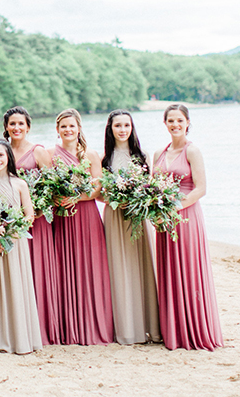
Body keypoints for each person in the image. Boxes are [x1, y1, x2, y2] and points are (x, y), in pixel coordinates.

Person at [153, 104, 223, 350]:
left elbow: (200, 189)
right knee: (169, 270)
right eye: (170, 120)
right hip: (163, 221)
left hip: (186, 217)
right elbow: (153, 189)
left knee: (189, 269)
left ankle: (193, 330)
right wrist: (154, 212)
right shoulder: (158, 154)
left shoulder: (193, 151)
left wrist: (174, 208)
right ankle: (174, 330)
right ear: (165, 123)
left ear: (187, 122)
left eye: (179, 120)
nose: (175, 125)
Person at [48, 108, 114, 346]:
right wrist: (57, 197)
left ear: (79, 128)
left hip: (86, 216)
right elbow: (47, 185)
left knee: (90, 267)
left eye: (72, 126)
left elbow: (97, 190)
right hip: (62, 217)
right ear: (57, 130)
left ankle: (92, 323)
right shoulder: (50, 154)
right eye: (63, 126)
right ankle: (68, 327)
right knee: (64, 267)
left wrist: (76, 198)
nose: (68, 130)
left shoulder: (91, 155)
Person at [0, 139, 42, 354]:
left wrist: (12, 232)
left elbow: (30, 214)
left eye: (1, 155)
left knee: (15, 286)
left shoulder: (20, 184)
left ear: (8, 157)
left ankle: (19, 337)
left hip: (14, 243)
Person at [101, 110, 161, 345]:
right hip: (115, 217)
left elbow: (151, 188)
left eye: (127, 125)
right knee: (118, 268)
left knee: (143, 266)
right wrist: (115, 197)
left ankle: (150, 327)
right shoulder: (104, 157)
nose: (123, 129)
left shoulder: (143, 156)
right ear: (111, 129)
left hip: (138, 216)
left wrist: (138, 198)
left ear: (132, 128)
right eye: (118, 125)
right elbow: (100, 193)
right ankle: (126, 329)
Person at [4, 106, 60, 346]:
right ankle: (20, 326)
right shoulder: (1, 151)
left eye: (21, 124)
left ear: (28, 127)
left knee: (38, 270)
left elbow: (52, 187)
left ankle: (43, 328)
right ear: (6, 127)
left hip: (36, 221)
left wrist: (34, 210)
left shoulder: (38, 152)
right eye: (12, 124)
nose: (16, 128)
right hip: (11, 224)